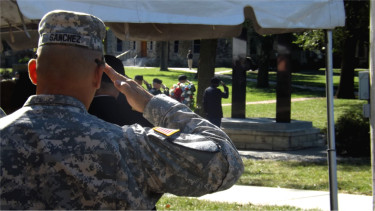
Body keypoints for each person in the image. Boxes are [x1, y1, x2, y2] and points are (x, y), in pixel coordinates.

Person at [0, 10, 243, 210]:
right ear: (98, 76)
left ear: (33, 71)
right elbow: (225, 161)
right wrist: (152, 103)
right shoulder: (129, 147)